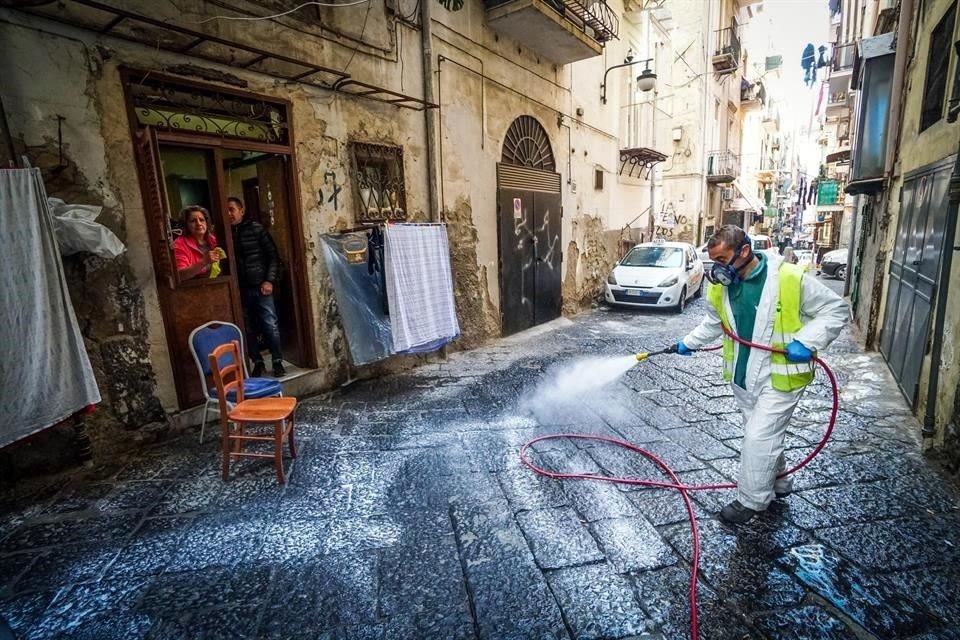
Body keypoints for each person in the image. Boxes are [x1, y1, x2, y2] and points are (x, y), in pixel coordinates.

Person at [672, 225, 847, 524]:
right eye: (715, 261)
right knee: (762, 433)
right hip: (743, 375)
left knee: (758, 436)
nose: (719, 269)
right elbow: (715, 323)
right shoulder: (721, 286)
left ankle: (751, 501)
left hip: (781, 376)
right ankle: (779, 482)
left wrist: (807, 340)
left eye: (724, 259)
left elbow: (836, 310)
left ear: (744, 251)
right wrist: (688, 343)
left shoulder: (790, 278)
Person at [226, 196, 284, 377]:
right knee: (247, 327)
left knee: (270, 324)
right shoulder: (223, 233)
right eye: (225, 210)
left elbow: (273, 256)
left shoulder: (256, 229)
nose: (229, 214)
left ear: (241, 211)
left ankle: (277, 361)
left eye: (231, 209)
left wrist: (269, 280)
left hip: (261, 286)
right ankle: (257, 361)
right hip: (239, 289)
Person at [173, 205, 224, 280]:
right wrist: (204, 261)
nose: (199, 223)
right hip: (194, 289)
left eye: (201, 220)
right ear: (185, 225)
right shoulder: (179, 244)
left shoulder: (215, 240)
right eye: (193, 221)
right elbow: (180, 275)